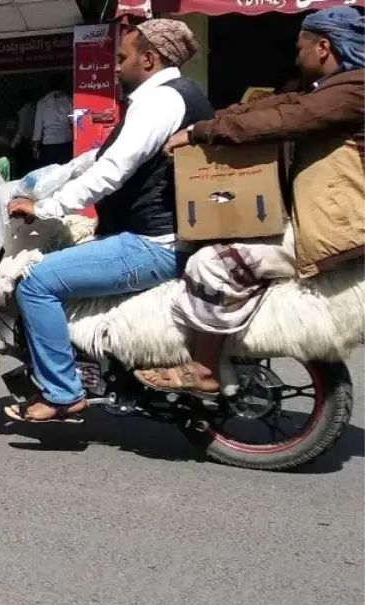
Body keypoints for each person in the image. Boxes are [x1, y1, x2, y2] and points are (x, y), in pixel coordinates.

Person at [136, 6, 365, 395]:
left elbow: (286, 119)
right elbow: (274, 106)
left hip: (339, 226)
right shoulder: (326, 90)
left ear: (323, 47)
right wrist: (205, 124)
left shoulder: (355, 89)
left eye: (301, 48)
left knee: (214, 264)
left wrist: (199, 135)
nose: (297, 56)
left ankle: (203, 369)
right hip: (319, 215)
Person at [3, 19, 211, 423]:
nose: (115, 67)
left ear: (148, 59)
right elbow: (97, 160)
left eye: (122, 58)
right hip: (162, 234)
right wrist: (51, 181)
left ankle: (63, 393)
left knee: (35, 282)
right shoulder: (171, 97)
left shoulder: (161, 101)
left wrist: (45, 208)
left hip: (155, 242)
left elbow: (112, 171)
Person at [32, 74, 74, 166]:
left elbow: (38, 126)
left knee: (49, 172)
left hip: (49, 143)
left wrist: (35, 146)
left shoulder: (42, 102)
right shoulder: (69, 101)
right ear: (64, 85)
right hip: (65, 141)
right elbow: (74, 121)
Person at [11, 90, 38, 176]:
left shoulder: (24, 111)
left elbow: (21, 130)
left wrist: (12, 145)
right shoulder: (35, 108)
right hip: (34, 140)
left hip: (25, 141)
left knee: (23, 166)